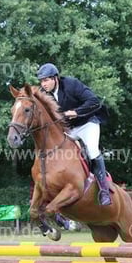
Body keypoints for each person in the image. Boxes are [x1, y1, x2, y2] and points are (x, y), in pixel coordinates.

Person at [36, 63, 111, 205]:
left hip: (87, 123)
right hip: (69, 129)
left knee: (92, 151)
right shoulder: (44, 94)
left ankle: (104, 190)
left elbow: (94, 101)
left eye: (46, 80)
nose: (43, 84)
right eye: (41, 81)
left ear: (55, 78)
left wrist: (76, 112)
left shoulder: (71, 84)